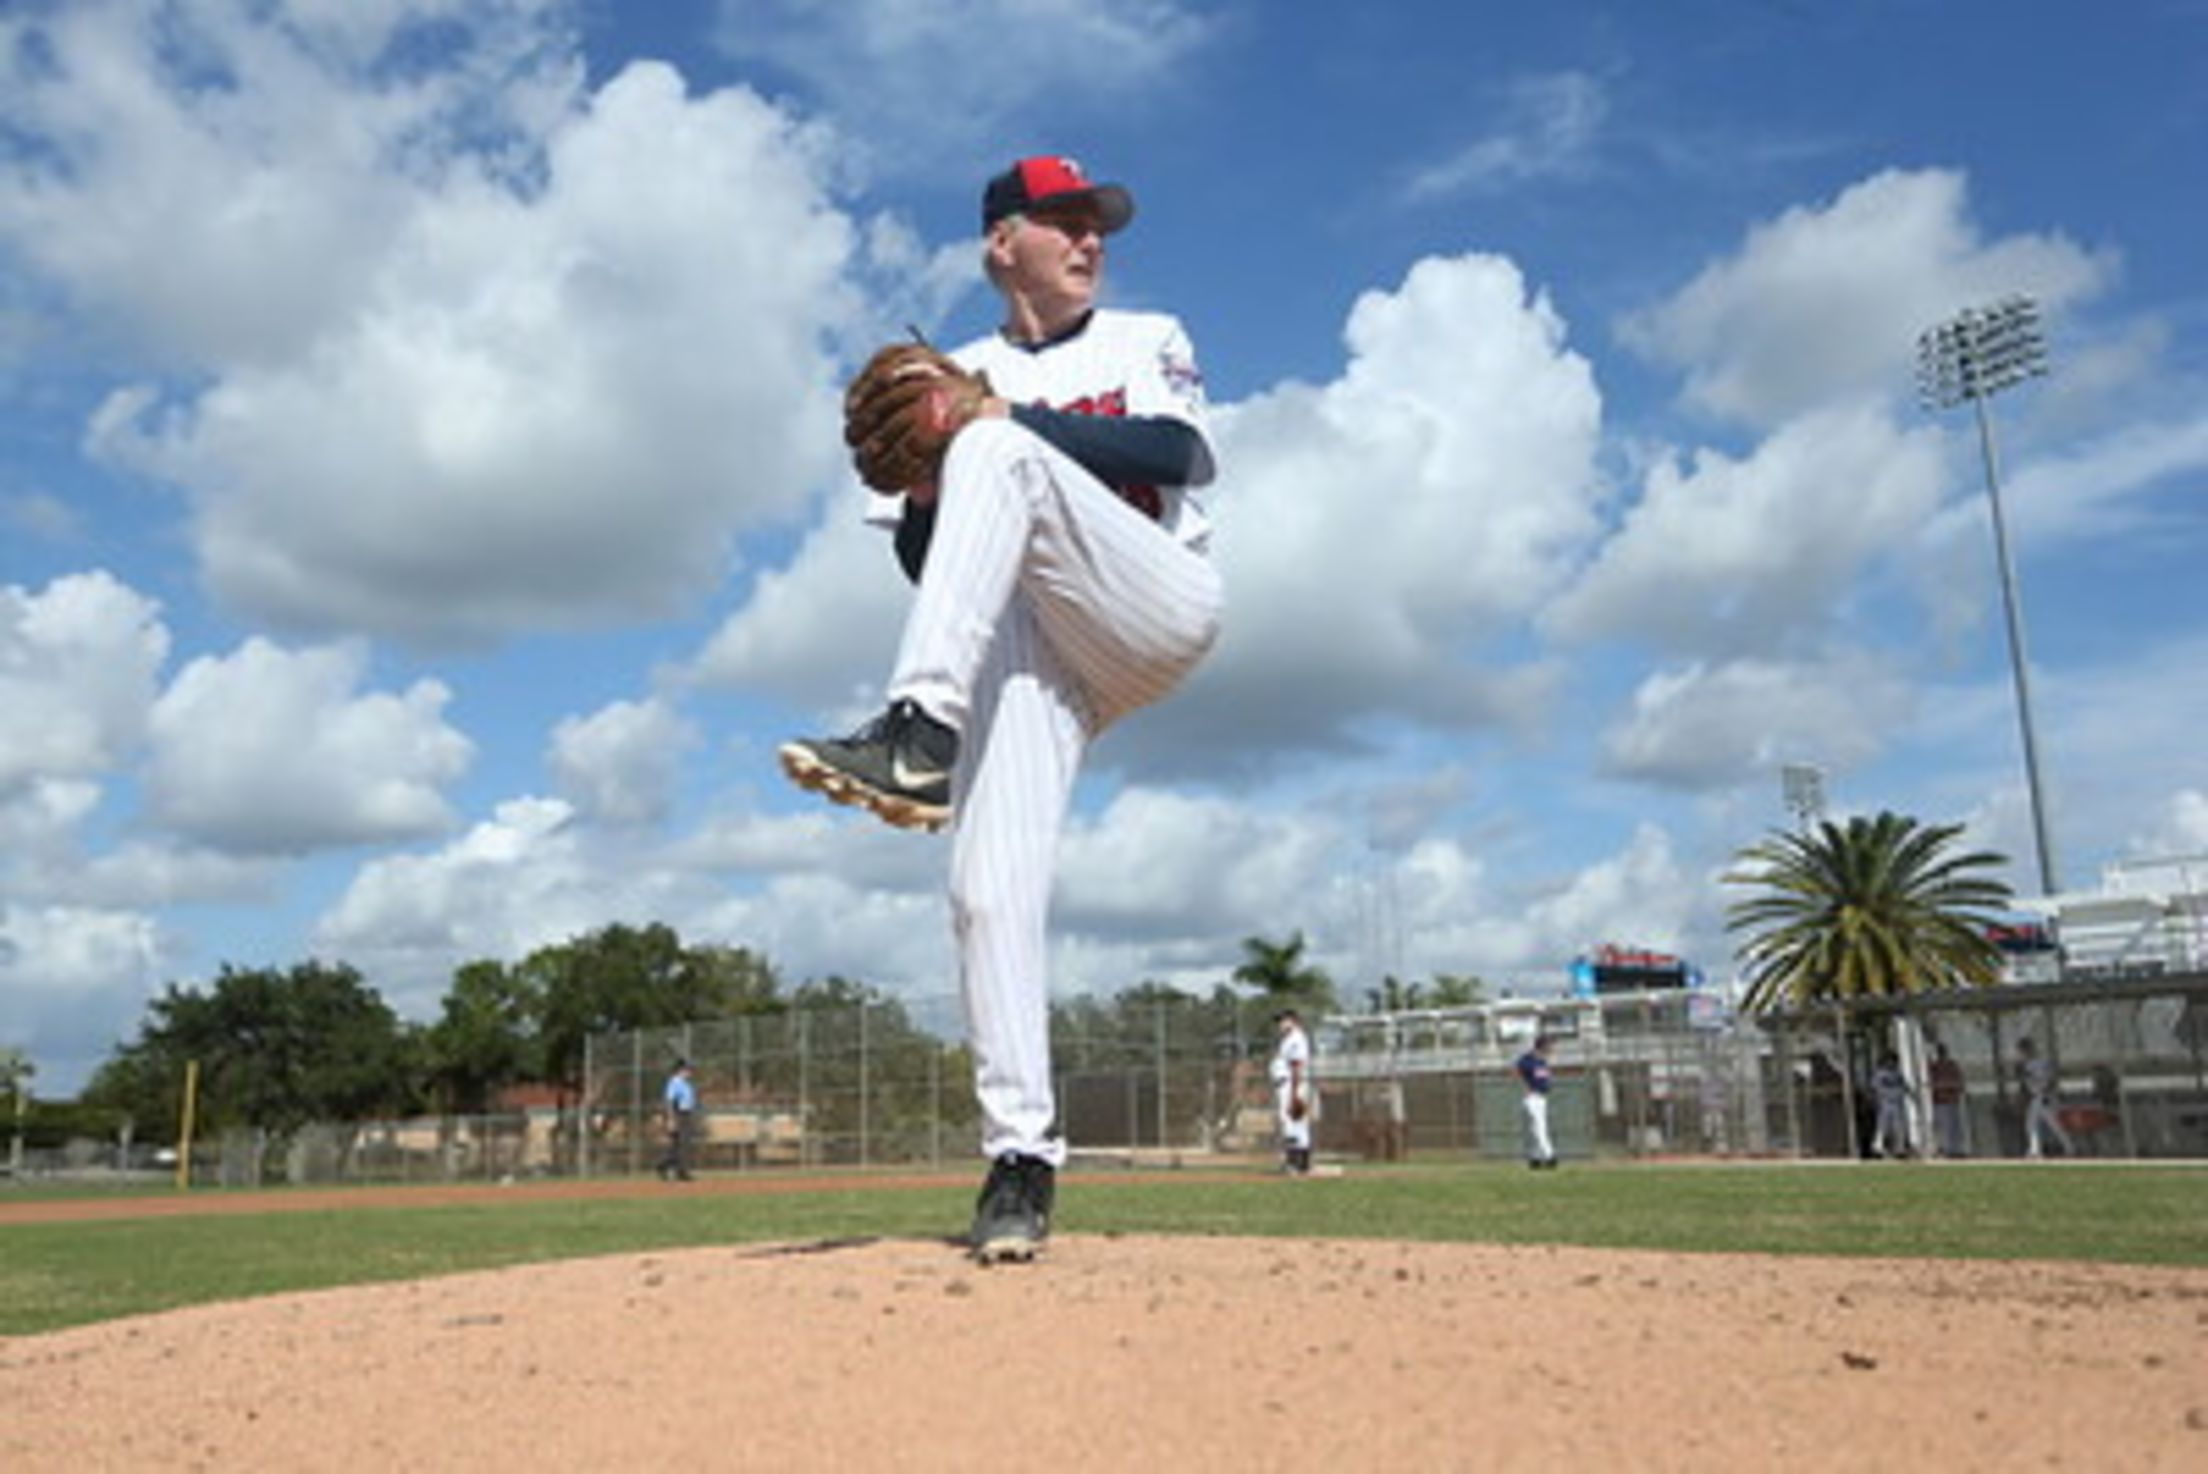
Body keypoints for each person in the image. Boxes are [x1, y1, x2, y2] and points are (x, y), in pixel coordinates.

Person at [778, 156, 1223, 1262]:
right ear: (999, 243)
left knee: (996, 445)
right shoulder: (955, 371)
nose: (1091, 239)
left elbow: (1180, 451)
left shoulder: (1140, 336)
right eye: (1066, 220)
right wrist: (927, 481)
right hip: (1034, 649)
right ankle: (1021, 1161)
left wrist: (993, 417)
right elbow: (931, 565)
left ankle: (918, 732)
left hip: (1149, 599)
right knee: (984, 891)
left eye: (1098, 223)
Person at [1270, 1009, 1314, 1175]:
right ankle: (1303, 1164)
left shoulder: (1296, 1038)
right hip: (1290, 1084)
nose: (1280, 1024)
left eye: (1283, 1020)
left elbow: (1297, 1066)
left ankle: (1293, 1163)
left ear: (1293, 1020)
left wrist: (1294, 1094)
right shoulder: (1290, 1038)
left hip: (1291, 1084)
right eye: (1279, 1021)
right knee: (1298, 1123)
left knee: (1290, 1122)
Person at [2015, 1036, 2072, 1159]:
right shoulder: (2026, 1065)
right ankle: (2035, 1150)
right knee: (2032, 1125)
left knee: (2053, 1124)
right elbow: (2027, 1083)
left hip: (2043, 1097)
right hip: (2036, 1097)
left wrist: (2047, 1092)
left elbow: (2050, 1079)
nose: (2020, 1055)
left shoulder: (2040, 1063)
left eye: (2021, 1052)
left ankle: (2069, 1148)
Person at [1515, 1033, 1558, 1170]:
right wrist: (1524, 1086)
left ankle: (1535, 1159)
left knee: (1535, 1129)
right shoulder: (1529, 1059)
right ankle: (1550, 1156)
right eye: (1549, 1045)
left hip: (1542, 1097)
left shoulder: (1542, 1061)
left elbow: (1544, 1079)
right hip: (1533, 1097)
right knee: (1540, 1127)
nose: (1552, 1048)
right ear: (1542, 1045)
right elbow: (1517, 1069)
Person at [657, 1058, 697, 1182]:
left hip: (686, 1114)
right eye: (688, 1069)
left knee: (678, 1145)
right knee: (681, 1144)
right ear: (681, 1070)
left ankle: (668, 1167)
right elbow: (669, 1101)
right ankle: (677, 1170)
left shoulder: (686, 1083)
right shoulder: (675, 1082)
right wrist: (671, 1119)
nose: (690, 1072)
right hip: (677, 1114)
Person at [1928, 1041, 1970, 1158]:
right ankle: (1945, 1149)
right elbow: (1932, 1083)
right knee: (1943, 1126)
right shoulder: (1934, 1067)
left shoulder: (1952, 1065)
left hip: (1953, 1100)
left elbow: (1959, 1081)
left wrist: (1955, 1087)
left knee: (1955, 1125)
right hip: (1940, 1101)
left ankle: (1956, 1149)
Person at [1870, 1049, 1913, 1159]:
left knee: (1899, 1126)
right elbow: (1876, 1088)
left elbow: (1904, 1086)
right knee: (1883, 1127)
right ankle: (1877, 1148)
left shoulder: (1897, 1073)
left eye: (1894, 1061)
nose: (1892, 1063)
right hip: (1886, 1103)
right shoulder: (1880, 1074)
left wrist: (1909, 1093)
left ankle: (1900, 1149)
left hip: (1897, 1103)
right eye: (1890, 1061)